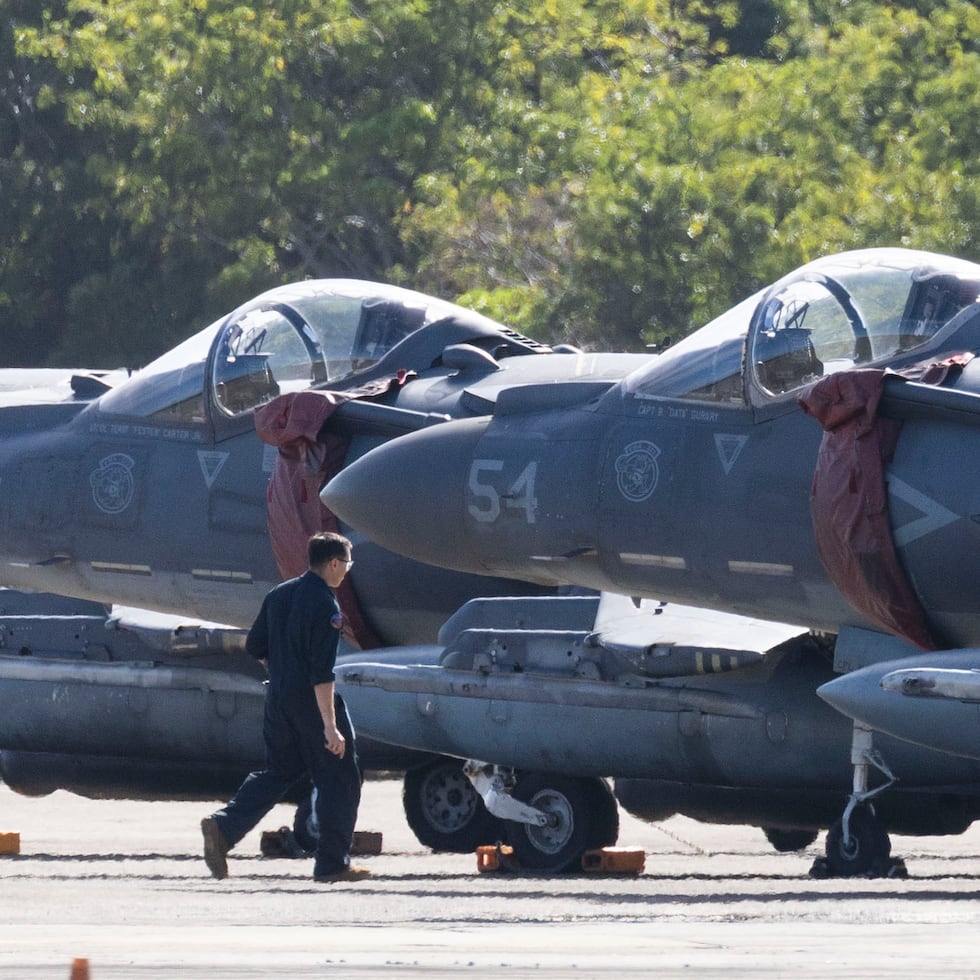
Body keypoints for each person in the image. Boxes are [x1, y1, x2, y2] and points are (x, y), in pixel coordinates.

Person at [201, 531, 368, 882]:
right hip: (311, 703)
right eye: (347, 564)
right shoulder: (326, 605)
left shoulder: (280, 594)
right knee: (340, 778)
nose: (347, 571)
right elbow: (322, 673)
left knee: (278, 772)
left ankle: (225, 827)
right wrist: (330, 726)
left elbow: (254, 645)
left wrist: (281, 670)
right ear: (334, 563)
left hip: (277, 699)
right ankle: (332, 863)